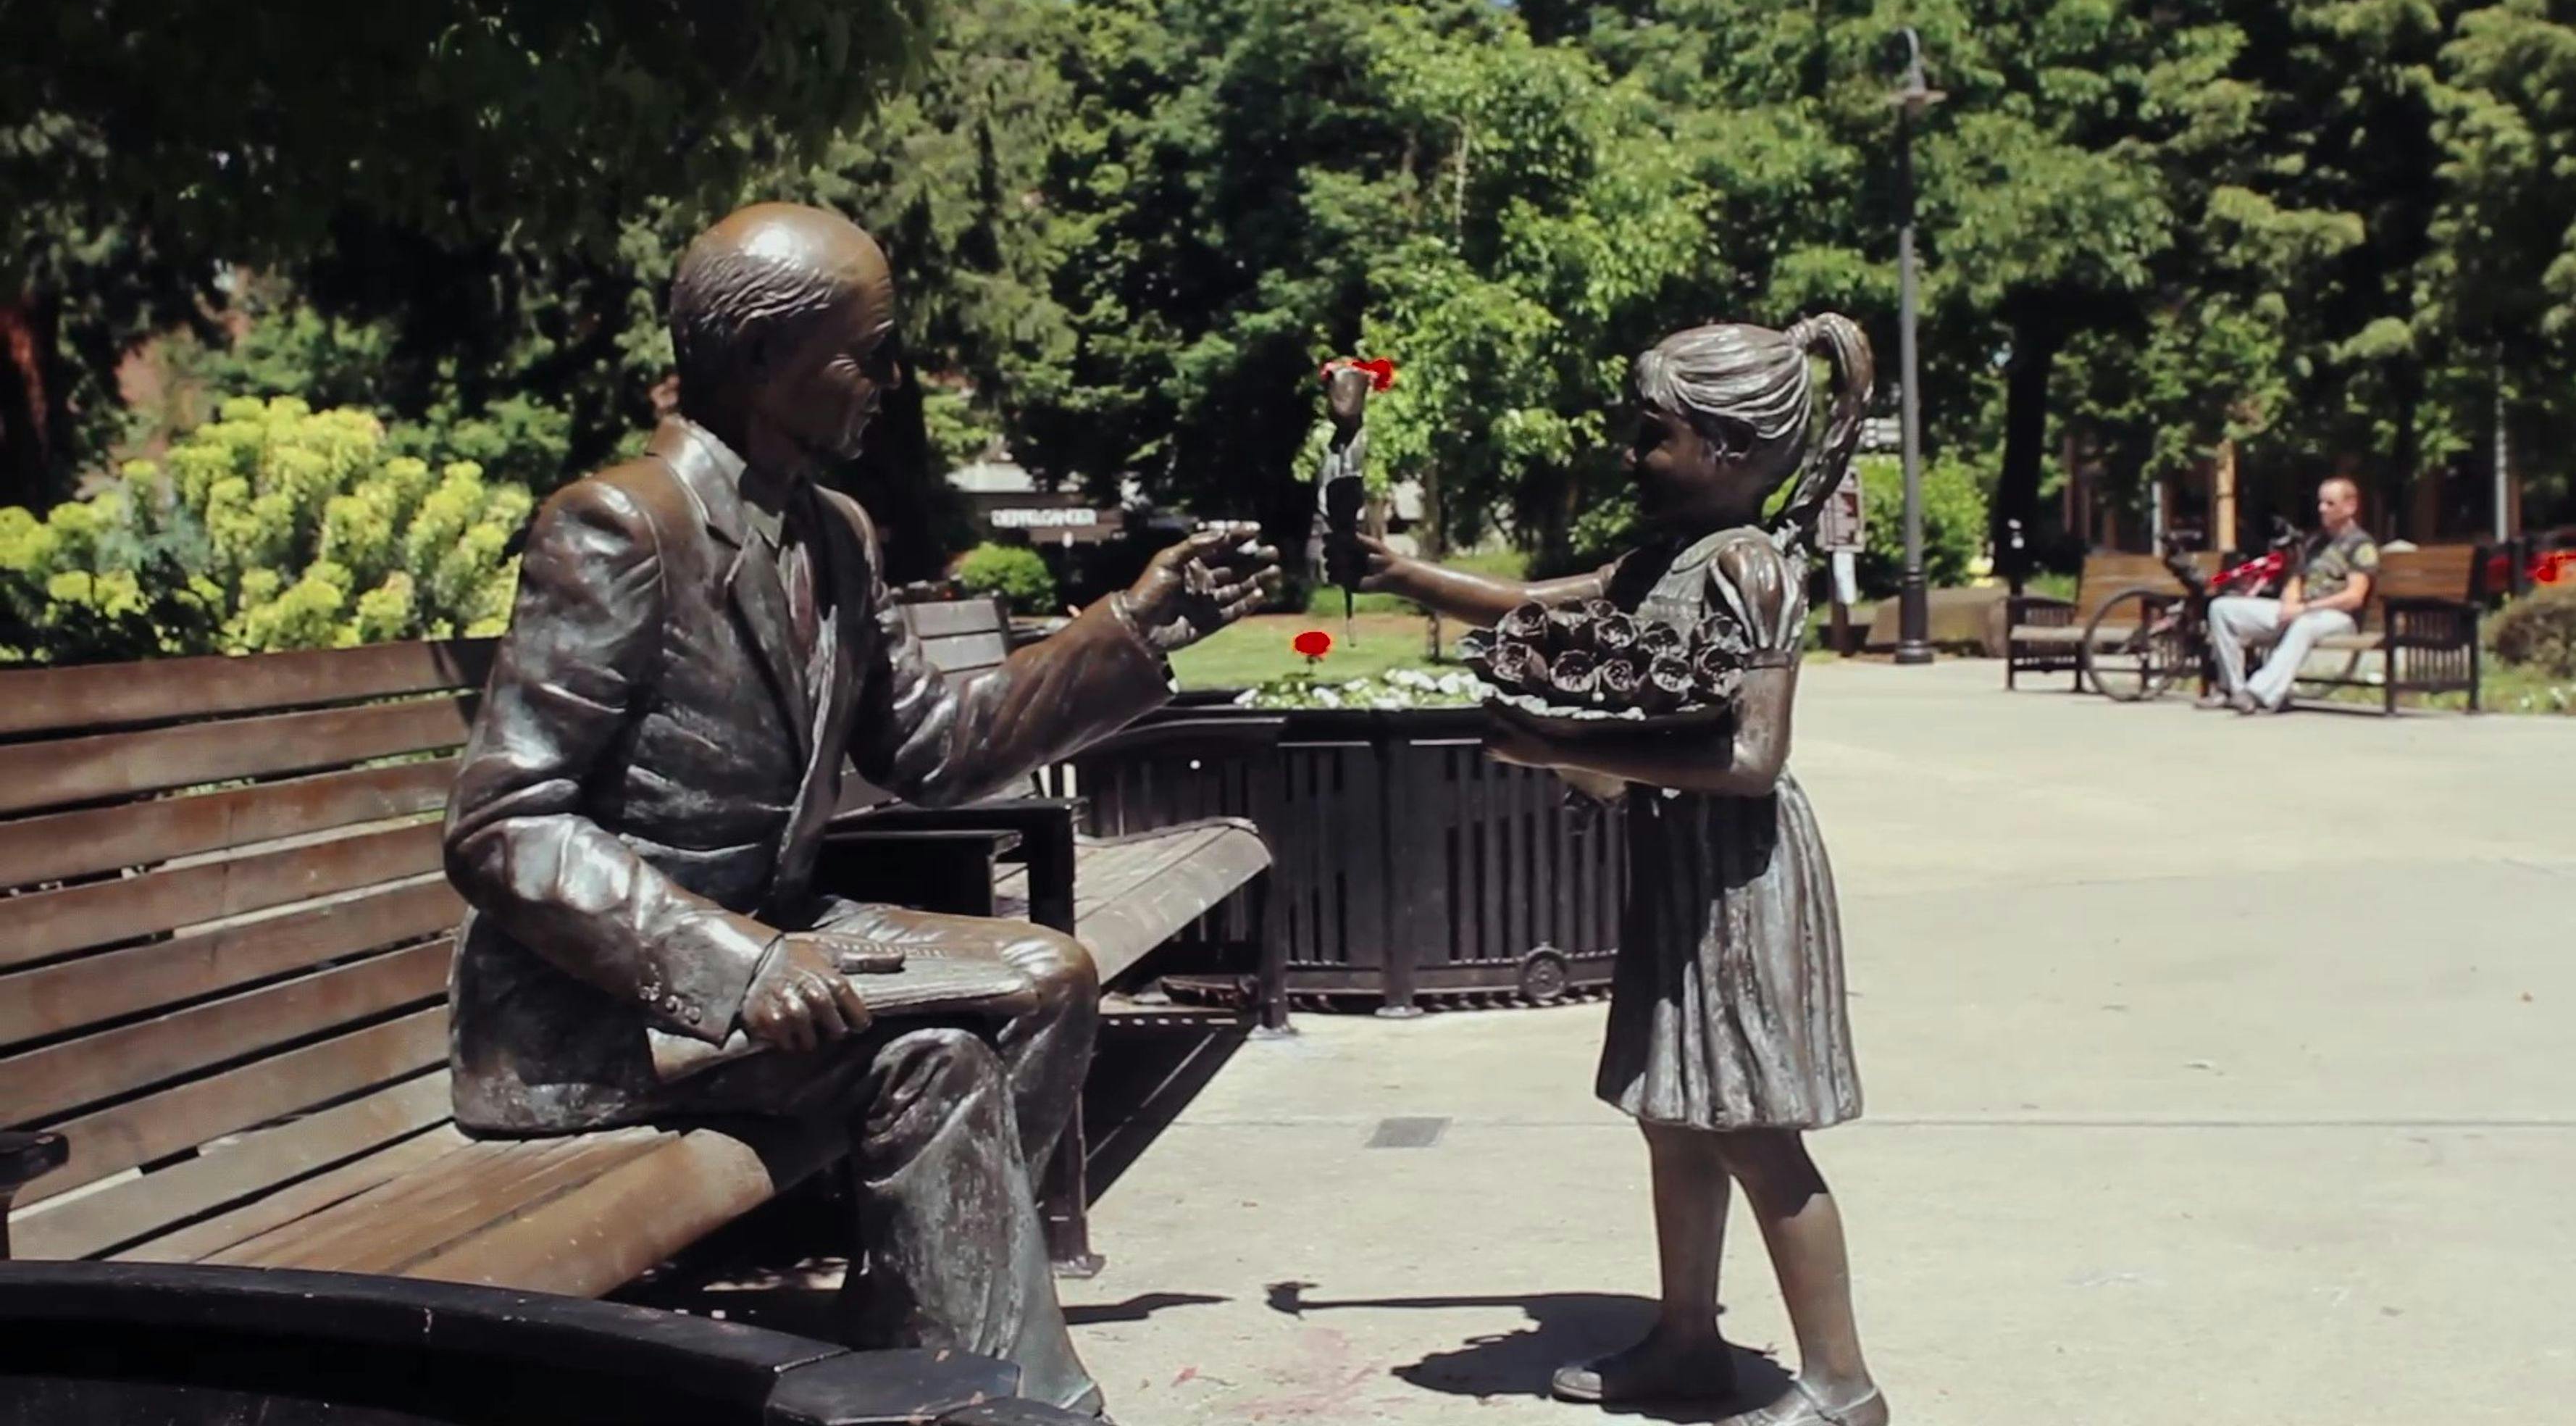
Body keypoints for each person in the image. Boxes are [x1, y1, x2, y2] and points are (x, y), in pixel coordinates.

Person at [442, 202, 1278, 1419]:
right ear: (764, 359)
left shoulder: (834, 533)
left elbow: (932, 748)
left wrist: (1134, 627)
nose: (888, 378)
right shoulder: (621, 525)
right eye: (866, 349)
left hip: (778, 949)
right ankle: (986, 1376)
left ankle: (936, 1364)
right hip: (599, 1015)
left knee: (955, 1047)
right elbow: (501, 823)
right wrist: (734, 962)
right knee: (1034, 982)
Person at [1335, 319, 1886, 1426]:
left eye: (1652, 436)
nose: (1631, 457)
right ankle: (1688, 1342)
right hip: (1679, 865)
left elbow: (1750, 757)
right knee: (1674, 1114)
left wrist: (1563, 749)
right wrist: (1403, 573)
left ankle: (1841, 1384)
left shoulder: (1749, 566)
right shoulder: (1660, 561)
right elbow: (1537, 604)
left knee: (1752, 1128)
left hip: (1740, 878)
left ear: (1730, 448)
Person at [2203, 478, 2380, 715]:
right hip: (2303, 611)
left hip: (2339, 618)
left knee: (2305, 624)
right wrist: (2290, 602)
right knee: (2222, 608)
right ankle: (2236, 690)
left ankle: (2260, 694)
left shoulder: (2361, 545)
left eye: (2330, 503)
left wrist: (2305, 609)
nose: (2322, 509)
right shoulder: (2315, 542)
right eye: (2321, 503)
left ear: (2350, 506)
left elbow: (2354, 597)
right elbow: (2296, 580)